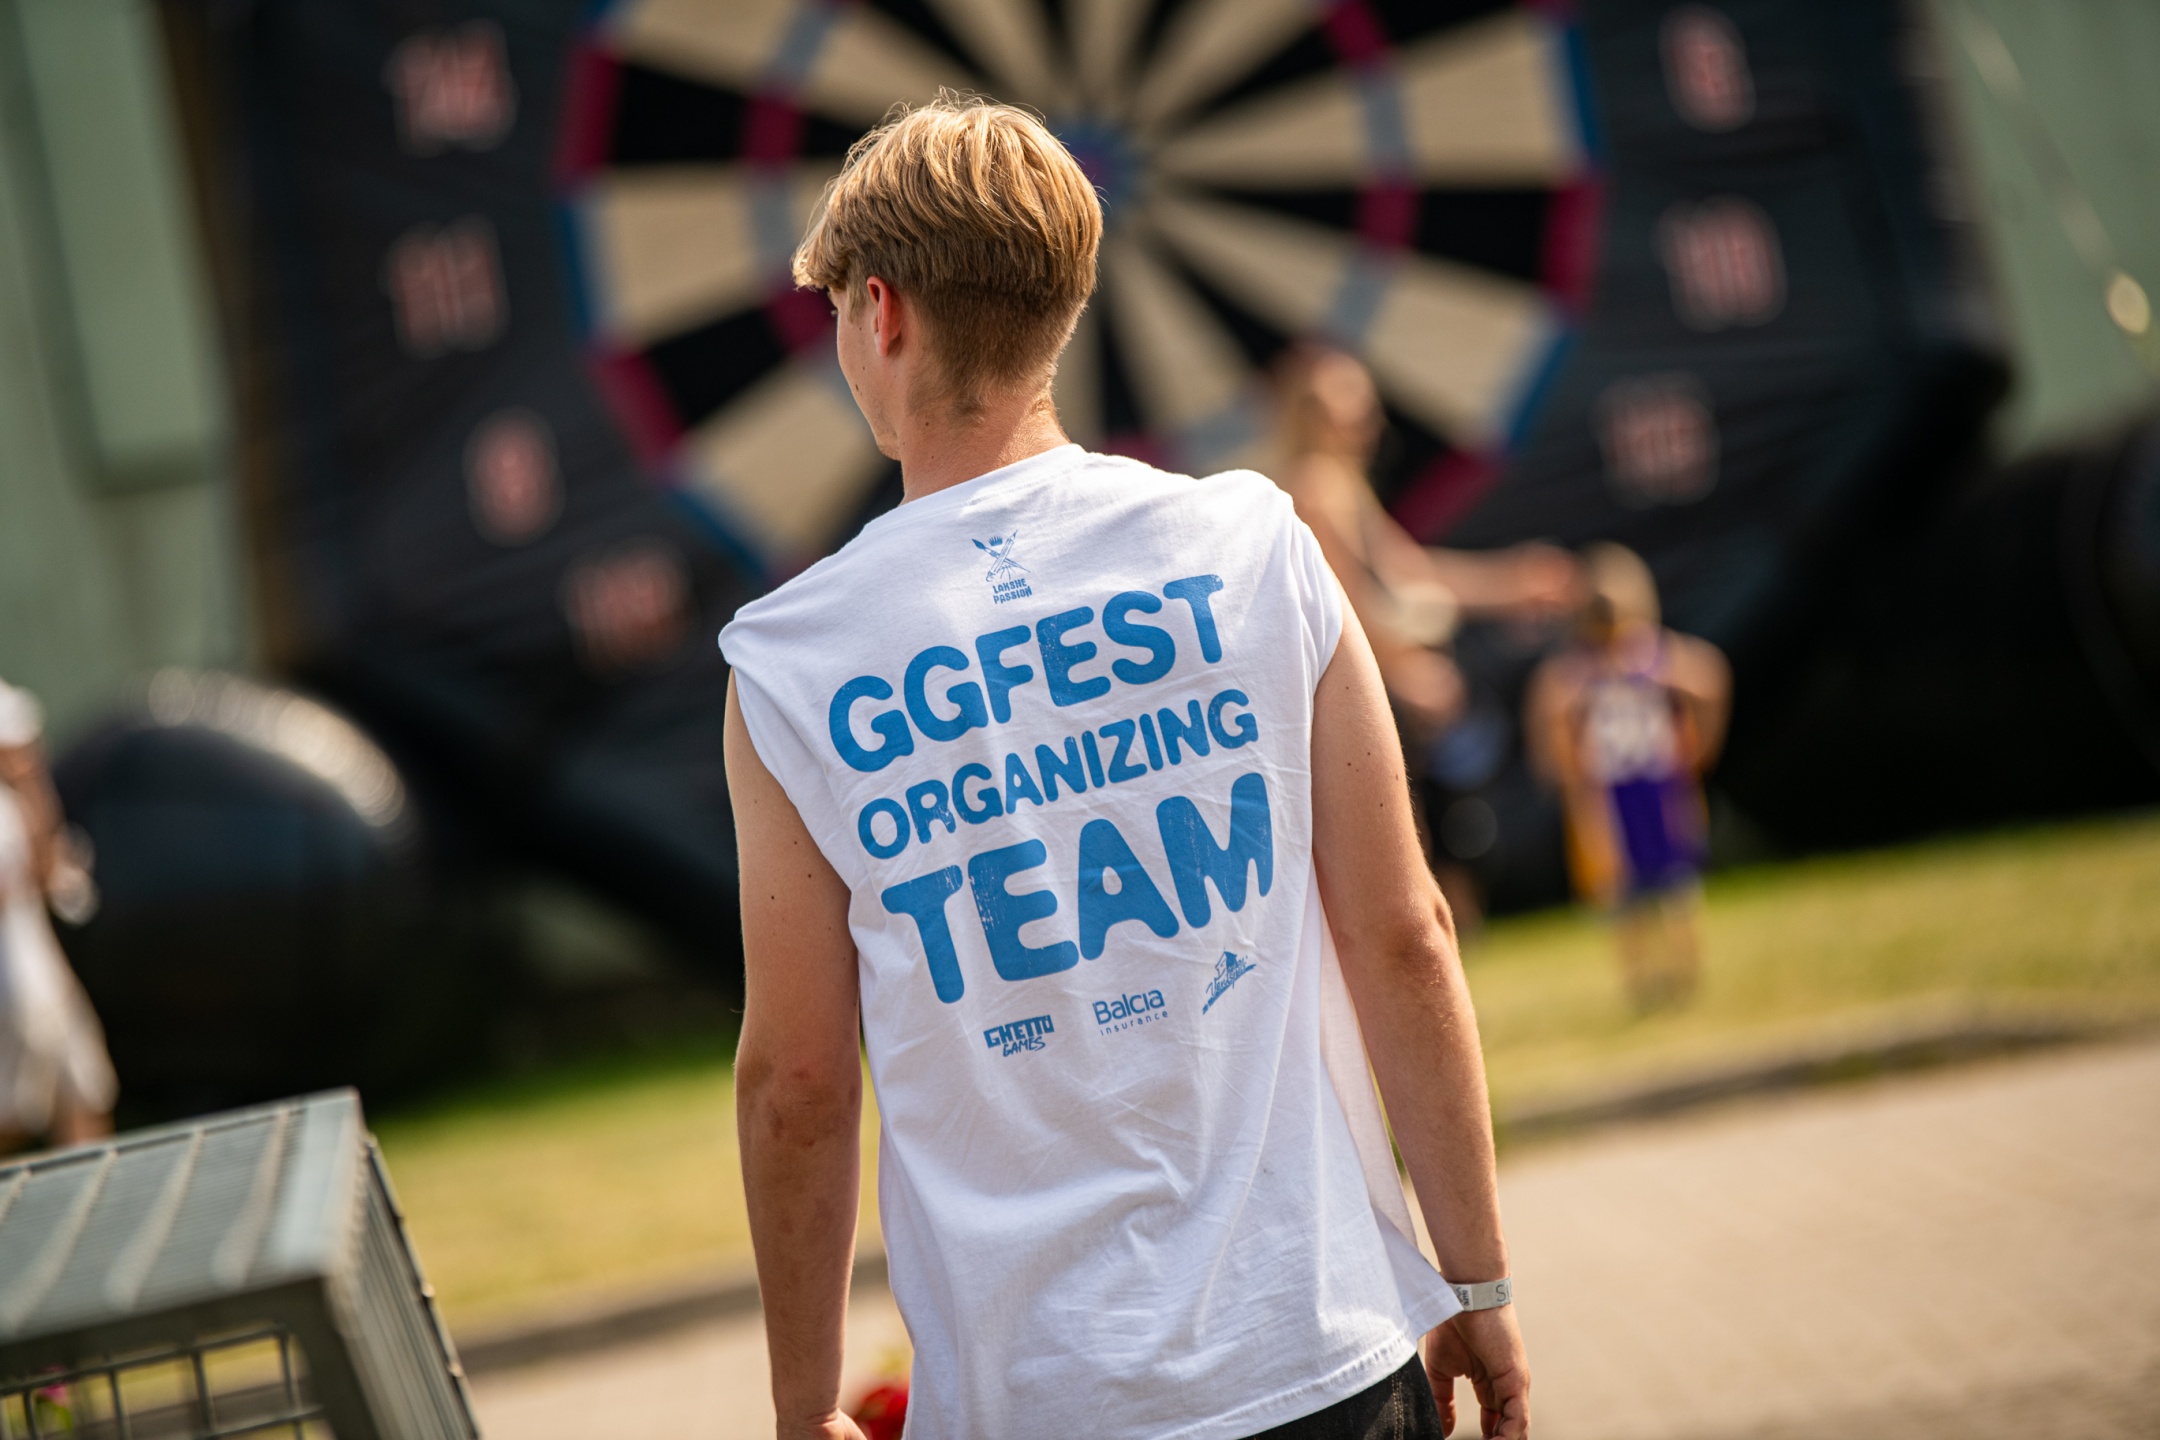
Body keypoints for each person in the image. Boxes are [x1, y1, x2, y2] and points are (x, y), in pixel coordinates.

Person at [719, 98, 1529, 1440]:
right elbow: (1404, 935)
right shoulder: (1256, 546)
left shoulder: (791, 664)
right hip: (1323, 1349)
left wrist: (805, 1410)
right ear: (1065, 304)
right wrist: (1477, 1277)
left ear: (883, 311)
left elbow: (797, 1085)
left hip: (1040, 1400)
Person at [1271, 344, 1583, 927]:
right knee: (1414, 851)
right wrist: (1404, 669)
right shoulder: (1317, 485)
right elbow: (1346, 604)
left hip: (1369, 688)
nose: (1371, 419)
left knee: (1435, 847)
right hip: (1361, 692)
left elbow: (1411, 575)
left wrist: (1513, 583)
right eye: (1354, 404)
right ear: (1318, 413)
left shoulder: (1337, 482)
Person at [1526, 544, 1730, 1010]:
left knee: (1675, 886)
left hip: (1659, 785)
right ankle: (1642, 981)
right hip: (1608, 793)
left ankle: (1685, 973)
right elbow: (1549, 709)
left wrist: (1698, 750)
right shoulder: (1577, 671)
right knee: (1623, 893)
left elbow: (1710, 678)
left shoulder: (1656, 655)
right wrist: (1563, 767)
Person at [0, 676, 116, 1153]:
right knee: (15, 1117)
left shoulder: (17, 803)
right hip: (12, 986)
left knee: (84, 1093)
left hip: (39, 973)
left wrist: (33, 790)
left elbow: (48, 872)